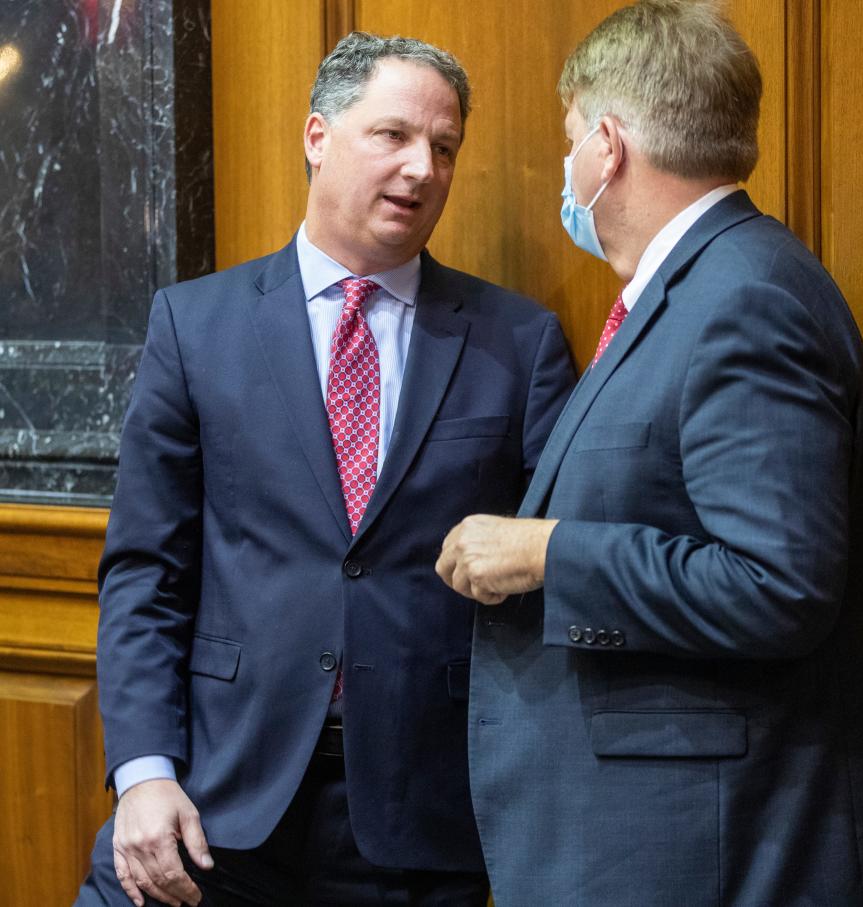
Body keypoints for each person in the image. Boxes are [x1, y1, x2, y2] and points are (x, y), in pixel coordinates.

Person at [436, 2, 863, 904]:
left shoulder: (744, 298)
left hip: (723, 852)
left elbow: (779, 585)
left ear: (609, 147)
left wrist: (548, 550)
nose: (568, 165)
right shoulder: (705, 285)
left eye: (571, 138)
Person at [77, 31, 574, 907]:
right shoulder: (195, 326)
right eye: (394, 135)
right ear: (318, 135)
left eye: (446, 147)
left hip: (419, 816)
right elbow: (146, 572)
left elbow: (551, 579)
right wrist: (144, 772)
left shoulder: (518, 343)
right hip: (211, 800)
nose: (423, 168)